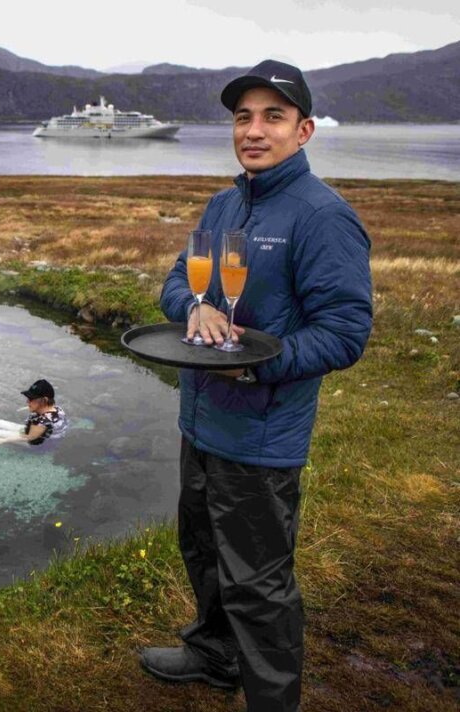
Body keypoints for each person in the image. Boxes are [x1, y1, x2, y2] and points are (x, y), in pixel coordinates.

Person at [148, 60, 372, 711]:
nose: (253, 130)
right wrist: (194, 309)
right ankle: (215, 655)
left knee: (258, 583)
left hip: (261, 435)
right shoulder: (224, 205)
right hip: (201, 422)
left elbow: (345, 332)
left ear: (303, 130)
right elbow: (176, 283)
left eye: (273, 116)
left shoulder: (323, 216)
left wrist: (255, 365)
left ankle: (274, 701)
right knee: (203, 552)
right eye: (243, 117)